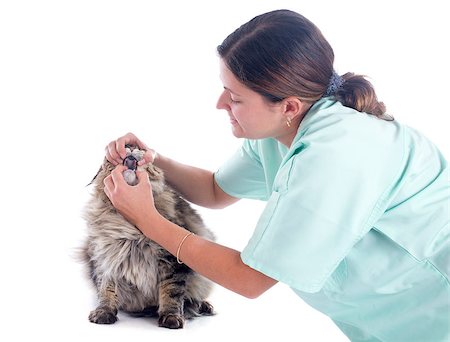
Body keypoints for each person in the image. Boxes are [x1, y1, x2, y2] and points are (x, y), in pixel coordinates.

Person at [103, 9, 449, 342]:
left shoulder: (335, 156)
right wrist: (154, 159)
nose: (220, 103)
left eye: (235, 97)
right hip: (395, 321)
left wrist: (147, 219)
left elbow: (249, 278)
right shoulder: (282, 132)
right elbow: (214, 191)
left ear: (288, 106)